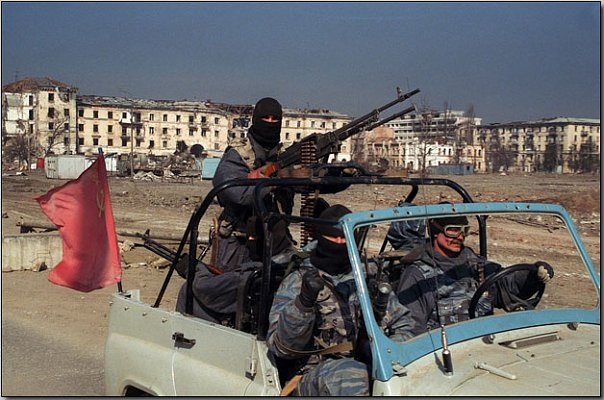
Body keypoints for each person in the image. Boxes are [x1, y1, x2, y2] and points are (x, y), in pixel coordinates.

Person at [266, 205, 415, 396]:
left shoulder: (367, 276)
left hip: (370, 366)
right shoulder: (297, 281)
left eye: (345, 238)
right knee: (350, 376)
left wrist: (385, 353)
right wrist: (303, 303)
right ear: (321, 237)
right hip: (309, 376)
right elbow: (282, 348)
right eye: (333, 237)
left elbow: (404, 323)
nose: (339, 242)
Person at [175, 97, 294, 325]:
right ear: (254, 120)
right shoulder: (238, 155)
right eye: (265, 118)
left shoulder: (284, 155)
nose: (270, 123)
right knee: (226, 295)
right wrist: (276, 179)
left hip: (271, 239)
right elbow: (237, 193)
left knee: (266, 292)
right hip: (237, 241)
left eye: (275, 119)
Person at [396, 213, 554, 336]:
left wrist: (533, 276)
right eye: (452, 230)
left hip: (483, 343)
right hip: (443, 353)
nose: (460, 236)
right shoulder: (417, 276)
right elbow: (411, 330)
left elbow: (507, 287)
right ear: (436, 232)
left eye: (464, 230)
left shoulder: (476, 264)